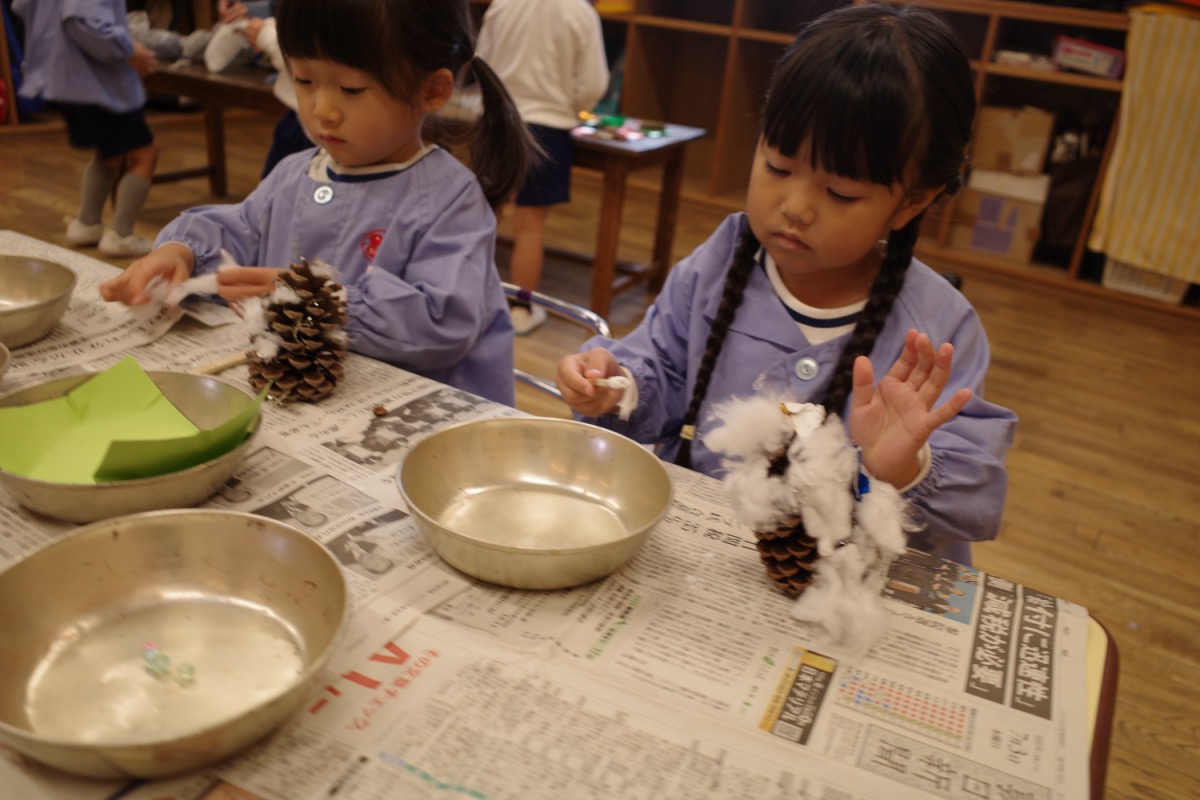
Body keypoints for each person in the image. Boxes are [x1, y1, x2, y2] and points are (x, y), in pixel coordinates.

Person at [555, 3, 1018, 566]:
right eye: (777, 166)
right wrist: (616, 384)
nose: (795, 206)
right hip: (710, 563)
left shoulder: (937, 332)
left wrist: (901, 466)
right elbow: (663, 367)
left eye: (841, 193)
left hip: (849, 583)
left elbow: (973, 495)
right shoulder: (722, 260)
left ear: (913, 202)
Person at [98, 0, 532, 406]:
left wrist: (322, 303)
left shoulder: (449, 199)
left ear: (432, 90)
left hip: (414, 416)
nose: (323, 109)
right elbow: (238, 229)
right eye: (304, 80)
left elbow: (443, 323)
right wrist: (182, 251)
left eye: (352, 89)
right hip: (308, 400)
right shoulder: (295, 174)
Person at [475, 0, 609, 335]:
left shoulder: (503, 4)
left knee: (485, 215)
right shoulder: (579, 12)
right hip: (547, 126)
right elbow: (593, 84)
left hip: (497, 121)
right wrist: (570, 106)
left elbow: (481, 62)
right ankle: (522, 307)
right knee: (530, 226)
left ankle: (473, 297)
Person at [13, 0, 159, 258]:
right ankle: (122, 236)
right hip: (97, 80)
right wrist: (128, 50)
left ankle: (87, 224)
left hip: (64, 76)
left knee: (110, 150)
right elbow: (85, 21)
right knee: (144, 155)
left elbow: (22, 6)